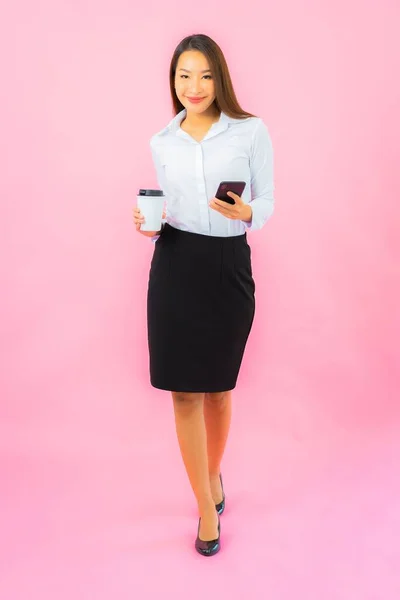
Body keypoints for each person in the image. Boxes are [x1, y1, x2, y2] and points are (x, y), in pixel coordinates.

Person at [133, 33, 274, 556]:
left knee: (218, 389)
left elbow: (270, 199)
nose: (195, 86)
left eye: (206, 75)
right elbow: (168, 207)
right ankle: (203, 505)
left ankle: (213, 477)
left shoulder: (250, 131)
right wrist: (149, 227)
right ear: (173, 81)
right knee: (184, 392)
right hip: (174, 263)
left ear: (221, 79)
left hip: (227, 265)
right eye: (184, 76)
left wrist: (248, 214)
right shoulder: (161, 141)